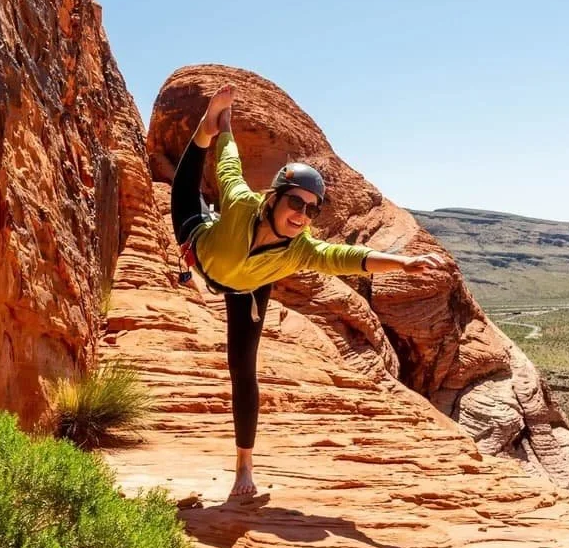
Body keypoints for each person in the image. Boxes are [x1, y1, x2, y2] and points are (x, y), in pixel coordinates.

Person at [170, 84, 453, 498]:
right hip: (197, 241)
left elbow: (345, 257)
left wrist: (402, 263)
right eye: (295, 203)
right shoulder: (242, 203)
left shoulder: (301, 249)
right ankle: (206, 125)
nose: (302, 215)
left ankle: (244, 467)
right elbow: (229, 166)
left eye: (311, 208)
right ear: (274, 199)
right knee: (183, 188)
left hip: (248, 287)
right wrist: (224, 129)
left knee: (243, 368)